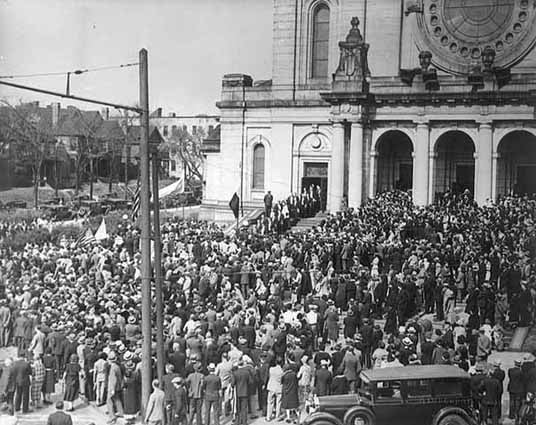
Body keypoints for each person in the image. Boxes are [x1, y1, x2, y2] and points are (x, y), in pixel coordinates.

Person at [232, 359, 253, 425]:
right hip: (245, 392)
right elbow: (250, 382)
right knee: (244, 408)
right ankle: (244, 422)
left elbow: (233, 384)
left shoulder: (235, 373)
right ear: (243, 365)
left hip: (237, 392)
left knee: (238, 408)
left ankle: (238, 421)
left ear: (238, 365)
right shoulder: (247, 372)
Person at [106, 351, 124, 423]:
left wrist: (112, 389)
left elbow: (113, 379)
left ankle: (112, 416)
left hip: (112, 387)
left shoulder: (113, 368)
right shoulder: (117, 367)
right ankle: (121, 412)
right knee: (117, 399)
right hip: (118, 386)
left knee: (109, 401)